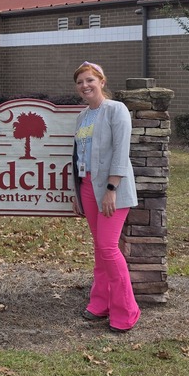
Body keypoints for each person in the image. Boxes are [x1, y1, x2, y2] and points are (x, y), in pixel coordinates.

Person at [71, 61, 141, 332]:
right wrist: (77, 192)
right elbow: (79, 156)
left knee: (109, 248)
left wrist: (111, 189)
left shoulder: (116, 110)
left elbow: (121, 152)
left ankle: (127, 311)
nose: (85, 86)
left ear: (101, 81)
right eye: (80, 82)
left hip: (112, 188)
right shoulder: (82, 117)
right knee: (100, 248)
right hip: (87, 186)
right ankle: (100, 303)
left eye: (90, 80)